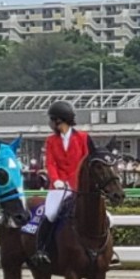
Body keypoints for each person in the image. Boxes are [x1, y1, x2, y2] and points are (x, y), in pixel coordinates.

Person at [32, 100, 90, 267]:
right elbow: (50, 163)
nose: (50, 123)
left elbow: (85, 162)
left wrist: (74, 182)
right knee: (50, 214)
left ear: (59, 120)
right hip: (58, 187)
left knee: (106, 217)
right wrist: (56, 180)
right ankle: (41, 249)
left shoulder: (83, 138)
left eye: (52, 119)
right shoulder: (51, 140)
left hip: (78, 187)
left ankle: (107, 251)